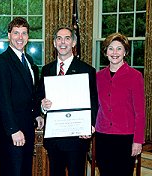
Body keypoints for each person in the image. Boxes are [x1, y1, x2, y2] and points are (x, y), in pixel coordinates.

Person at [37, 27, 98, 176]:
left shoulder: (87, 70)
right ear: (54, 42)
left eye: (67, 38)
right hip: (54, 138)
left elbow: (94, 101)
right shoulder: (46, 70)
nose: (62, 42)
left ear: (74, 42)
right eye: (59, 38)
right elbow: (40, 97)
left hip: (77, 138)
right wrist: (42, 106)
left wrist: (89, 126)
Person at [0, 17, 43, 176]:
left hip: (27, 127)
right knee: (13, 171)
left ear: (28, 37)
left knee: (25, 170)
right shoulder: (2, 62)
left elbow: (30, 93)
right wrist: (13, 130)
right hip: (12, 131)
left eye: (24, 33)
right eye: (16, 33)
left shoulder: (28, 60)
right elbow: (2, 99)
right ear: (9, 35)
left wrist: (37, 114)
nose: (20, 37)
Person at [95, 32, 146, 176]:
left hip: (125, 138)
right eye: (111, 48)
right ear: (105, 52)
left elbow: (140, 112)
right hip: (103, 136)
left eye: (119, 48)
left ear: (125, 52)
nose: (114, 52)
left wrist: (137, 141)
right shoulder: (98, 77)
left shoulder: (135, 76)